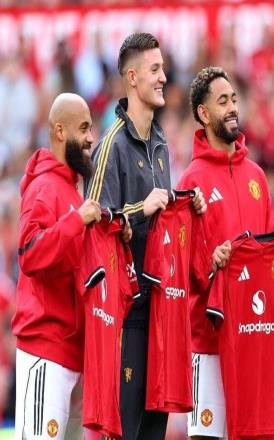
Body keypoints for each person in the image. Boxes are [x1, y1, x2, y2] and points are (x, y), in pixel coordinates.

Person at [177, 67, 274, 440]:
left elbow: (270, 251)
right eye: (223, 101)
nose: (233, 107)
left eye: (234, 99)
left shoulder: (257, 177)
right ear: (204, 113)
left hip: (253, 341)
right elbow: (180, 265)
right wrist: (211, 262)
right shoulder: (191, 181)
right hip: (208, 343)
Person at [85, 33, 206, 440]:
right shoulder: (111, 146)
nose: (163, 77)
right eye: (154, 69)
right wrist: (142, 209)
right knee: (125, 432)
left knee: (154, 432)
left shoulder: (160, 144)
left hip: (161, 312)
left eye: (163, 68)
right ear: (132, 77)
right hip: (127, 317)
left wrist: (185, 206)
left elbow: (161, 224)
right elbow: (94, 227)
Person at [12, 93, 129, 440]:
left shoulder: (73, 193)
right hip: (46, 349)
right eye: (84, 128)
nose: (91, 138)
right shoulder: (43, 188)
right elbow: (29, 253)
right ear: (60, 131)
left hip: (75, 355)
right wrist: (77, 220)